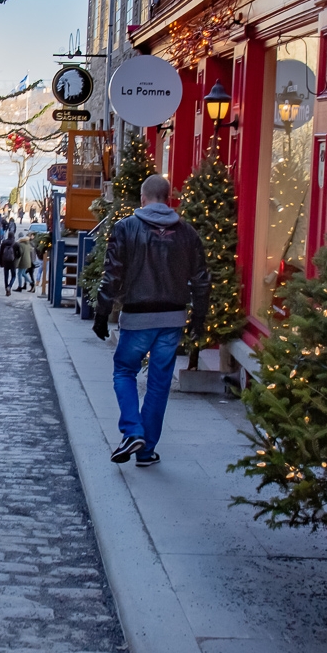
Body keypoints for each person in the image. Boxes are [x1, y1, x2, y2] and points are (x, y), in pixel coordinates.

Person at [94, 175, 211, 468]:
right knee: (159, 383)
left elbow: (112, 274)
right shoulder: (187, 233)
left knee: (124, 372)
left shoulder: (126, 228)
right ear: (169, 199)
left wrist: (101, 312)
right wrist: (198, 316)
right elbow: (201, 280)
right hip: (172, 317)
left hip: (137, 316)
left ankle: (132, 431)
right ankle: (146, 451)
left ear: (143, 199)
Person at [0, 231, 19, 296]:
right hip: (12, 262)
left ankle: (6, 289)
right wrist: (16, 257)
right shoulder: (15, 243)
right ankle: (9, 286)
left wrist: (1, 263)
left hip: (5, 261)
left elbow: (0, 253)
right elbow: (20, 253)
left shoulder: (4, 243)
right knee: (13, 276)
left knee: (6, 276)